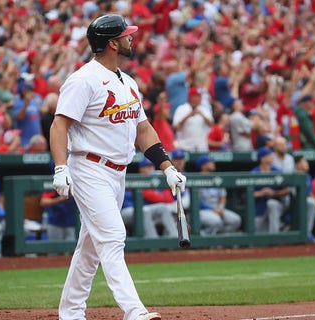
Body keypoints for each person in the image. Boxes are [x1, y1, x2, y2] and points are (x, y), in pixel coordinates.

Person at [49, 14, 186, 320]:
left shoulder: (128, 81)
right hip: (89, 167)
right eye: (126, 35)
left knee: (89, 247)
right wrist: (61, 168)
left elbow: (143, 128)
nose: (131, 38)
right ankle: (133, 310)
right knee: (112, 236)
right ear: (112, 43)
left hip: (117, 172)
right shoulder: (84, 79)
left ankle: (70, 313)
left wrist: (166, 166)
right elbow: (59, 125)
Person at [121, 158, 178, 238]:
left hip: (146, 209)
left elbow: (169, 199)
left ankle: (174, 239)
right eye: (147, 167)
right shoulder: (135, 180)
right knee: (145, 211)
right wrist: (155, 197)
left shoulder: (156, 181)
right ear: (141, 169)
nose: (150, 169)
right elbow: (145, 196)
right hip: (127, 211)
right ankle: (153, 243)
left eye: (151, 167)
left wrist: (153, 197)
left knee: (163, 207)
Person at [196, 154, 242, 234]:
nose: (213, 163)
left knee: (236, 220)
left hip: (218, 209)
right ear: (203, 165)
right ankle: (205, 238)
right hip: (203, 210)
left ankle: (222, 241)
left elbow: (223, 196)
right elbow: (197, 201)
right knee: (217, 221)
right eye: (210, 162)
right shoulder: (196, 179)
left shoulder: (216, 178)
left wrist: (220, 209)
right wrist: (213, 210)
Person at [252, 147, 289, 233]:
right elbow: (247, 194)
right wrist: (262, 193)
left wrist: (274, 193)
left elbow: (287, 190)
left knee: (272, 203)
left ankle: (274, 236)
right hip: (259, 208)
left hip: (277, 205)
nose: (272, 157)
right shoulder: (254, 173)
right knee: (257, 233)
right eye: (269, 155)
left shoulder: (277, 171)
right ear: (262, 159)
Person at [172, 86, 213, 151]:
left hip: (201, 147)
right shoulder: (182, 109)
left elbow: (211, 124)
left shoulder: (205, 110)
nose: (200, 98)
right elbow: (176, 127)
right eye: (197, 96)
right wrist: (188, 116)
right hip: (184, 147)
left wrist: (202, 115)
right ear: (191, 97)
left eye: (200, 96)